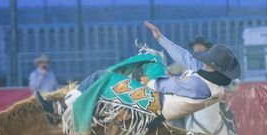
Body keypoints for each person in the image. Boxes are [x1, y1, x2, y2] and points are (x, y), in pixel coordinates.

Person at [37, 21, 240, 125]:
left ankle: (59, 108)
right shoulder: (210, 77)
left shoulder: (199, 85)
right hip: (163, 95)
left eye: (205, 60)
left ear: (212, 67)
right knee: (154, 58)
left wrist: (147, 82)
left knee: (101, 77)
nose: (200, 61)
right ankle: (125, 81)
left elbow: (166, 85)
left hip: (157, 102)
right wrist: (160, 38)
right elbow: (186, 58)